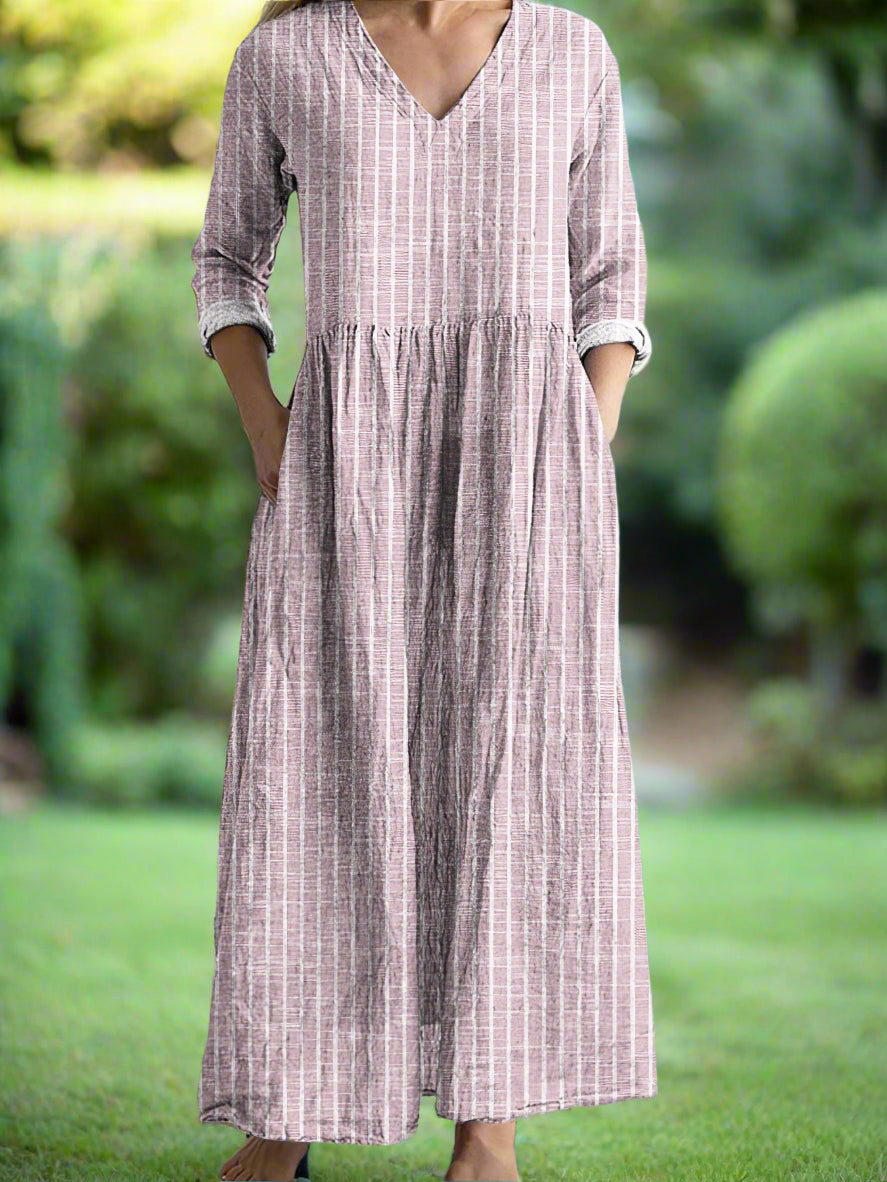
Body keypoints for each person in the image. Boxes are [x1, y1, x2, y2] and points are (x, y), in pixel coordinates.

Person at [189, 1, 658, 1179]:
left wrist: (580, 442)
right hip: (345, 458)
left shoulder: (570, 51)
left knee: (509, 770)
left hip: (527, 467)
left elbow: (608, 276)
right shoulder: (286, 57)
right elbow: (226, 260)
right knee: (319, 767)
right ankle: (283, 1119)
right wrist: (267, 430)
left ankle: (488, 1132)